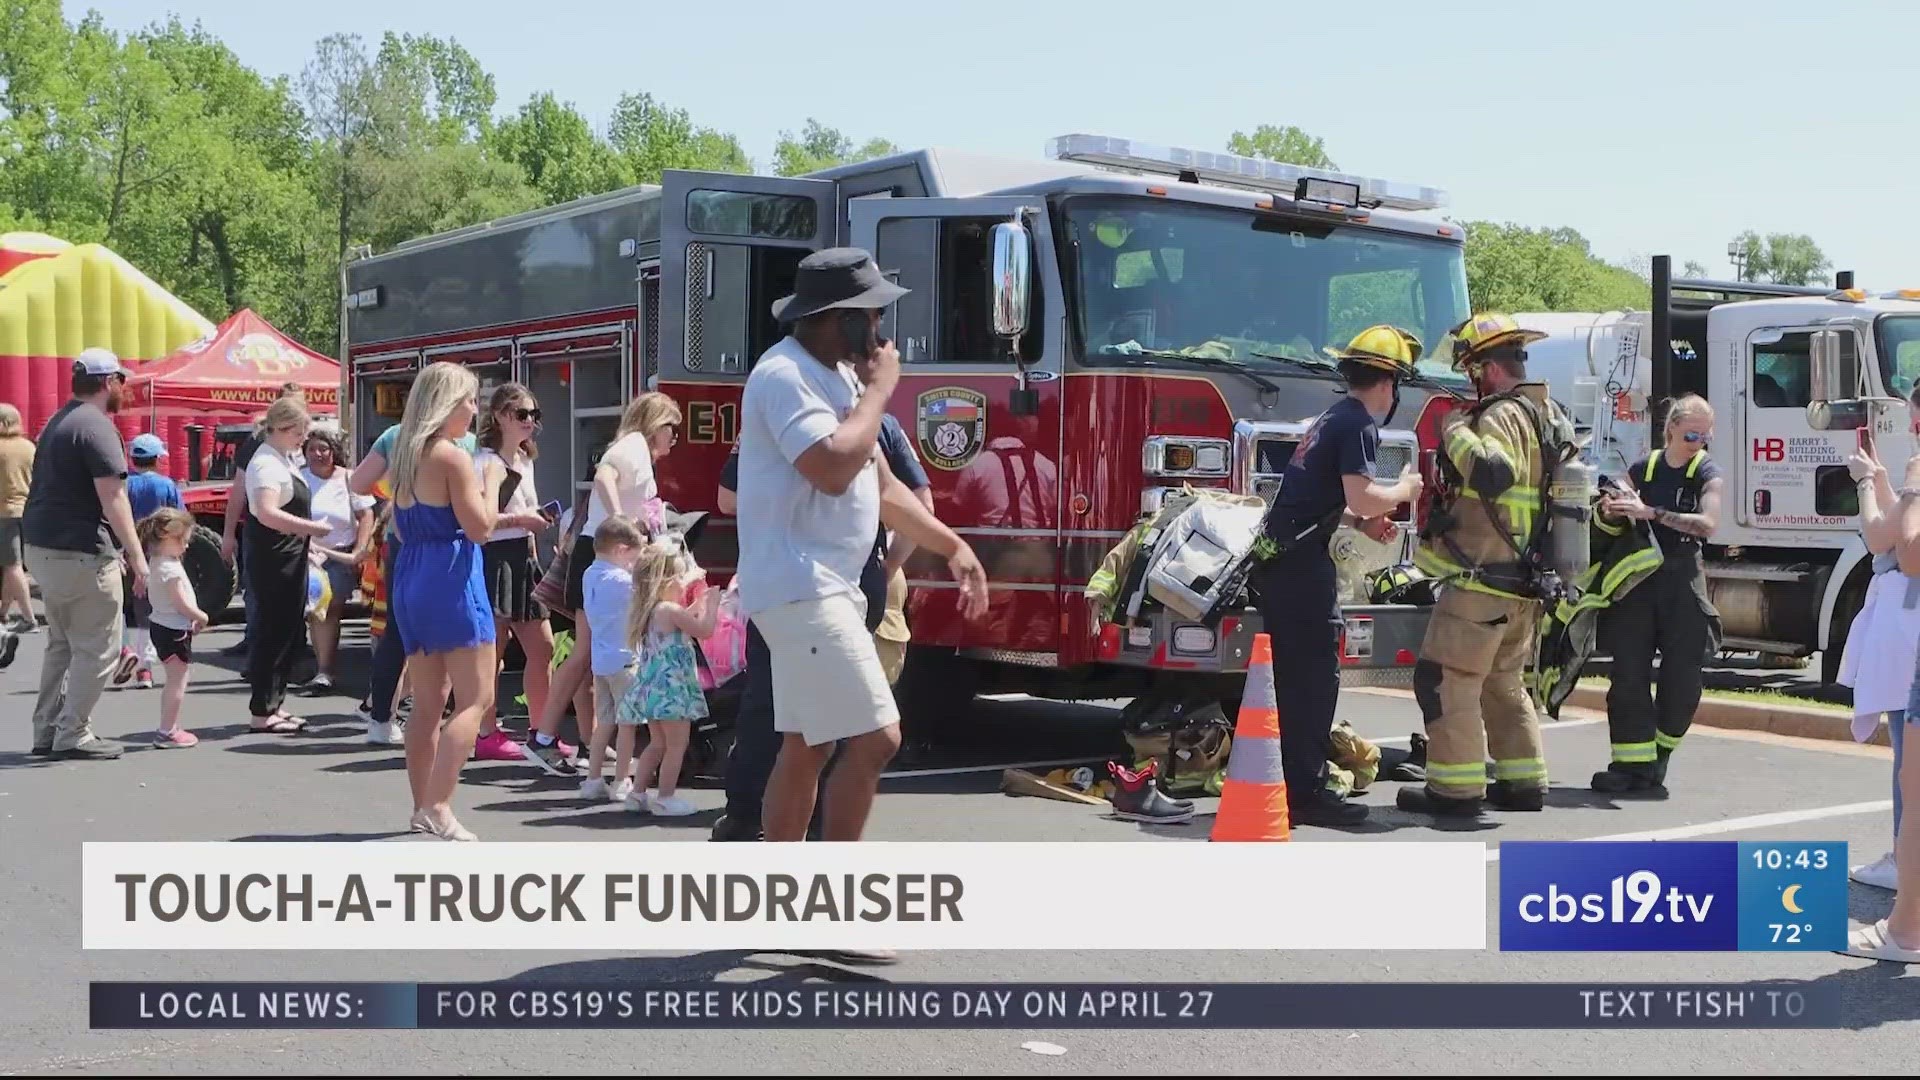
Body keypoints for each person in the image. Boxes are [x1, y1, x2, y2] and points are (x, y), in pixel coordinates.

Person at [735, 247, 987, 859]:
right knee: (876, 738)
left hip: (821, 588)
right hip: (804, 587)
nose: (882, 330)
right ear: (838, 318)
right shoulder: (784, 375)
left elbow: (879, 484)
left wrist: (951, 545)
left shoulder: (838, 377)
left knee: (809, 744)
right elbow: (829, 466)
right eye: (872, 315)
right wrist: (880, 391)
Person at [711, 406, 934, 841]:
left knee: (771, 704)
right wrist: (885, 568)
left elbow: (728, 497)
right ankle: (814, 827)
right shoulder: (883, 424)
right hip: (855, 583)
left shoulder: (779, 417)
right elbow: (921, 505)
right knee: (840, 715)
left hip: (787, 581)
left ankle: (746, 815)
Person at [1249, 325, 1424, 827]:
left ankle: (1292, 780)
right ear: (1390, 384)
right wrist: (1404, 489)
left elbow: (1329, 500)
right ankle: (1305, 792)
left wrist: (1364, 520)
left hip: (1284, 560)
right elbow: (1363, 495)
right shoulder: (1358, 426)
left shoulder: (1332, 418)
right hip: (1301, 568)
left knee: (1295, 676)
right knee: (1313, 678)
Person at [1401, 312, 1569, 817]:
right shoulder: (1549, 413)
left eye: (1472, 370)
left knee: (1445, 679)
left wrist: (1453, 430)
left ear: (1486, 370)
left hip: (1482, 582)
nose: (1470, 382)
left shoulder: (1496, 416)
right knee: (1504, 682)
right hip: (1524, 586)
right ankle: (1523, 783)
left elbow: (1494, 473)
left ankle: (1455, 792)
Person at [523, 392, 680, 776]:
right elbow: (604, 476)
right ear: (656, 424)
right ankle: (544, 738)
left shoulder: (635, 449)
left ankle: (585, 740)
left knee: (593, 652)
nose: (674, 439)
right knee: (588, 651)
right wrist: (622, 520)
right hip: (602, 552)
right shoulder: (632, 447)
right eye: (671, 429)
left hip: (602, 551)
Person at [385, 361, 502, 842]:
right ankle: (438, 804)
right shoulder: (453, 458)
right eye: (469, 401)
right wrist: (492, 480)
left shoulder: (406, 456)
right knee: (476, 698)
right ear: (446, 405)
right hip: (452, 576)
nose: (474, 410)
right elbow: (481, 527)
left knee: (428, 701)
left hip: (412, 573)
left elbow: (396, 524)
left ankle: (421, 806)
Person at [1591, 394, 1724, 797]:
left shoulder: (1707, 471)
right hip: (1638, 582)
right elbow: (1610, 503)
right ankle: (1629, 765)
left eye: (1704, 435)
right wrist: (1613, 505)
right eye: (1690, 434)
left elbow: (1709, 524)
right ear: (1671, 430)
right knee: (1628, 672)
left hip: (1683, 580)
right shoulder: (1643, 468)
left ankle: (1659, 756)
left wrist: (1653, 513)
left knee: (1683, 676)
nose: (1697, 442)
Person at [22, 348, 149, 760]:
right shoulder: (96, 427)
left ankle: (48, 730)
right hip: (80, 552)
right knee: (98, 646)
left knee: (61, 644)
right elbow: (114, 498)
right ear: (109, 382)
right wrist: (137, 557)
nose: (123, 390)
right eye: (121, 382)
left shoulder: (61, 420)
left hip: (42, 547)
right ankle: (73, 732)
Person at [347, 412, 480, 753]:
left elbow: (359, 482)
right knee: (459, 640)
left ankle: (381, 718)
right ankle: (457, 723)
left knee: (397, 632)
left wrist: (401, 491)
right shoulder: (463, 444)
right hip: (451, 544)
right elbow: (478, 514)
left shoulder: (396, 435)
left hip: (403, 543)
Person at [1847, 439, 1920, 963]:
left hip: (1908, 622)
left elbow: (1893, 544)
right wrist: (1886, 481)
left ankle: (1905, 915)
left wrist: (1865, 485)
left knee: (1911, 778)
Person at [472, 383, 557, 762]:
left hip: (524, 557)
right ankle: (486, 732)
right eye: (521, 414)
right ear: (499, 416)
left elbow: (530, 513)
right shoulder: (485, 462)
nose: (529, 422)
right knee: (494, 652)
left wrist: (536, 537)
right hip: (492, 557)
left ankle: (541, 732)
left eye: (533, 415)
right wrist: (520, 519)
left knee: (544, 648)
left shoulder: (525, 460)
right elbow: (479, 522)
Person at [243, 396, 331, 733]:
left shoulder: (281, 459)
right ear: (280, 429)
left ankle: (274, 704)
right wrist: (312, 529)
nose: (302, 440)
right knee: (272, 632)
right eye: (299, 433)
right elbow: (265, 512)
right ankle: (262, 711)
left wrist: (308, 546)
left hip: (288, 556)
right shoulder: (266, 463)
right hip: (273, 560)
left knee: (286, 632)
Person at [620, 539, 723, 816]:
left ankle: (638, 793)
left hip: (655, 690)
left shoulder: (654, 611)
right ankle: (665, 798)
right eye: (677, 577)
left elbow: (682, 624)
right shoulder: (670, 610)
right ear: (663, 581)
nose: (682, 583)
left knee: (658, 743)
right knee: (678, 745)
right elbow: (703, 629)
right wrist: (712, 604)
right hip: (672, 690)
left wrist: (696, 598)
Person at [221, 382, 307, 659]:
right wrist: (228, 534)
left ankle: (294, 645)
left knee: (298, 594)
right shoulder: (259, 443)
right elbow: (238, 491)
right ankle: (260, 648)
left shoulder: (308, 441)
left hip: (298, 531)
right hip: (266, 531)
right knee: (260, 595)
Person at [299, 423, 373, 694]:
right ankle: (322, 667)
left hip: (339, 555)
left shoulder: (349, 479)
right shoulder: (298, 478)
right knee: (315, 613)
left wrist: (360, 549)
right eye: (312, 449)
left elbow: (366, 514)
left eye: (323, 449)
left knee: (329, 610)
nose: (317, 454)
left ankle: (325, 670)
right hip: (306, 555)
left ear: (335, 452)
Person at [578, 516, 647, 801]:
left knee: (604, 722)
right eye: (635, 553)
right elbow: (646, 599)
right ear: (620, 549)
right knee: (627, 724)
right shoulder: (621, 581)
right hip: (625, 660)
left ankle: (593, 780)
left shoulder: (590, 574)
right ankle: (622, 780)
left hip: (601, 660)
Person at [136, 507, 210, 748]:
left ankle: (169, 727)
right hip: (173, 628)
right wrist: (201, 616)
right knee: (178, 680)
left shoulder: (156, 562)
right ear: (168, 537)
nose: (186, 547)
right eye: (184, 541)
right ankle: (167, 730)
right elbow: (180, 603)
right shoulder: (170, 569)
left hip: (163, 624)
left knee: (175, 677)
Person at [116, 433, 182, 690]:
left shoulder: (123, 485)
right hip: (157, 553)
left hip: (126, 551)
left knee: (120, 607)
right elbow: (180, 519)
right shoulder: (166, 485)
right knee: (147, 611)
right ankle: (145, 668)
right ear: (156, 459)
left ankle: (124, 650)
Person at [357, 501, 407, 745]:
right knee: (398, 659)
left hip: (385, 610)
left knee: (393, 655)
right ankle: (385, 714)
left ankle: (379, 712)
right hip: (390, 609)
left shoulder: (385, 530)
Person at [0, 402, 35, 635]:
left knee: (12, 565)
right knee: (14, 565)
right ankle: (3, 611)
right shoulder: (29, 447)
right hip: (29, 511)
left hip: (5, 513)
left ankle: (29, 617)